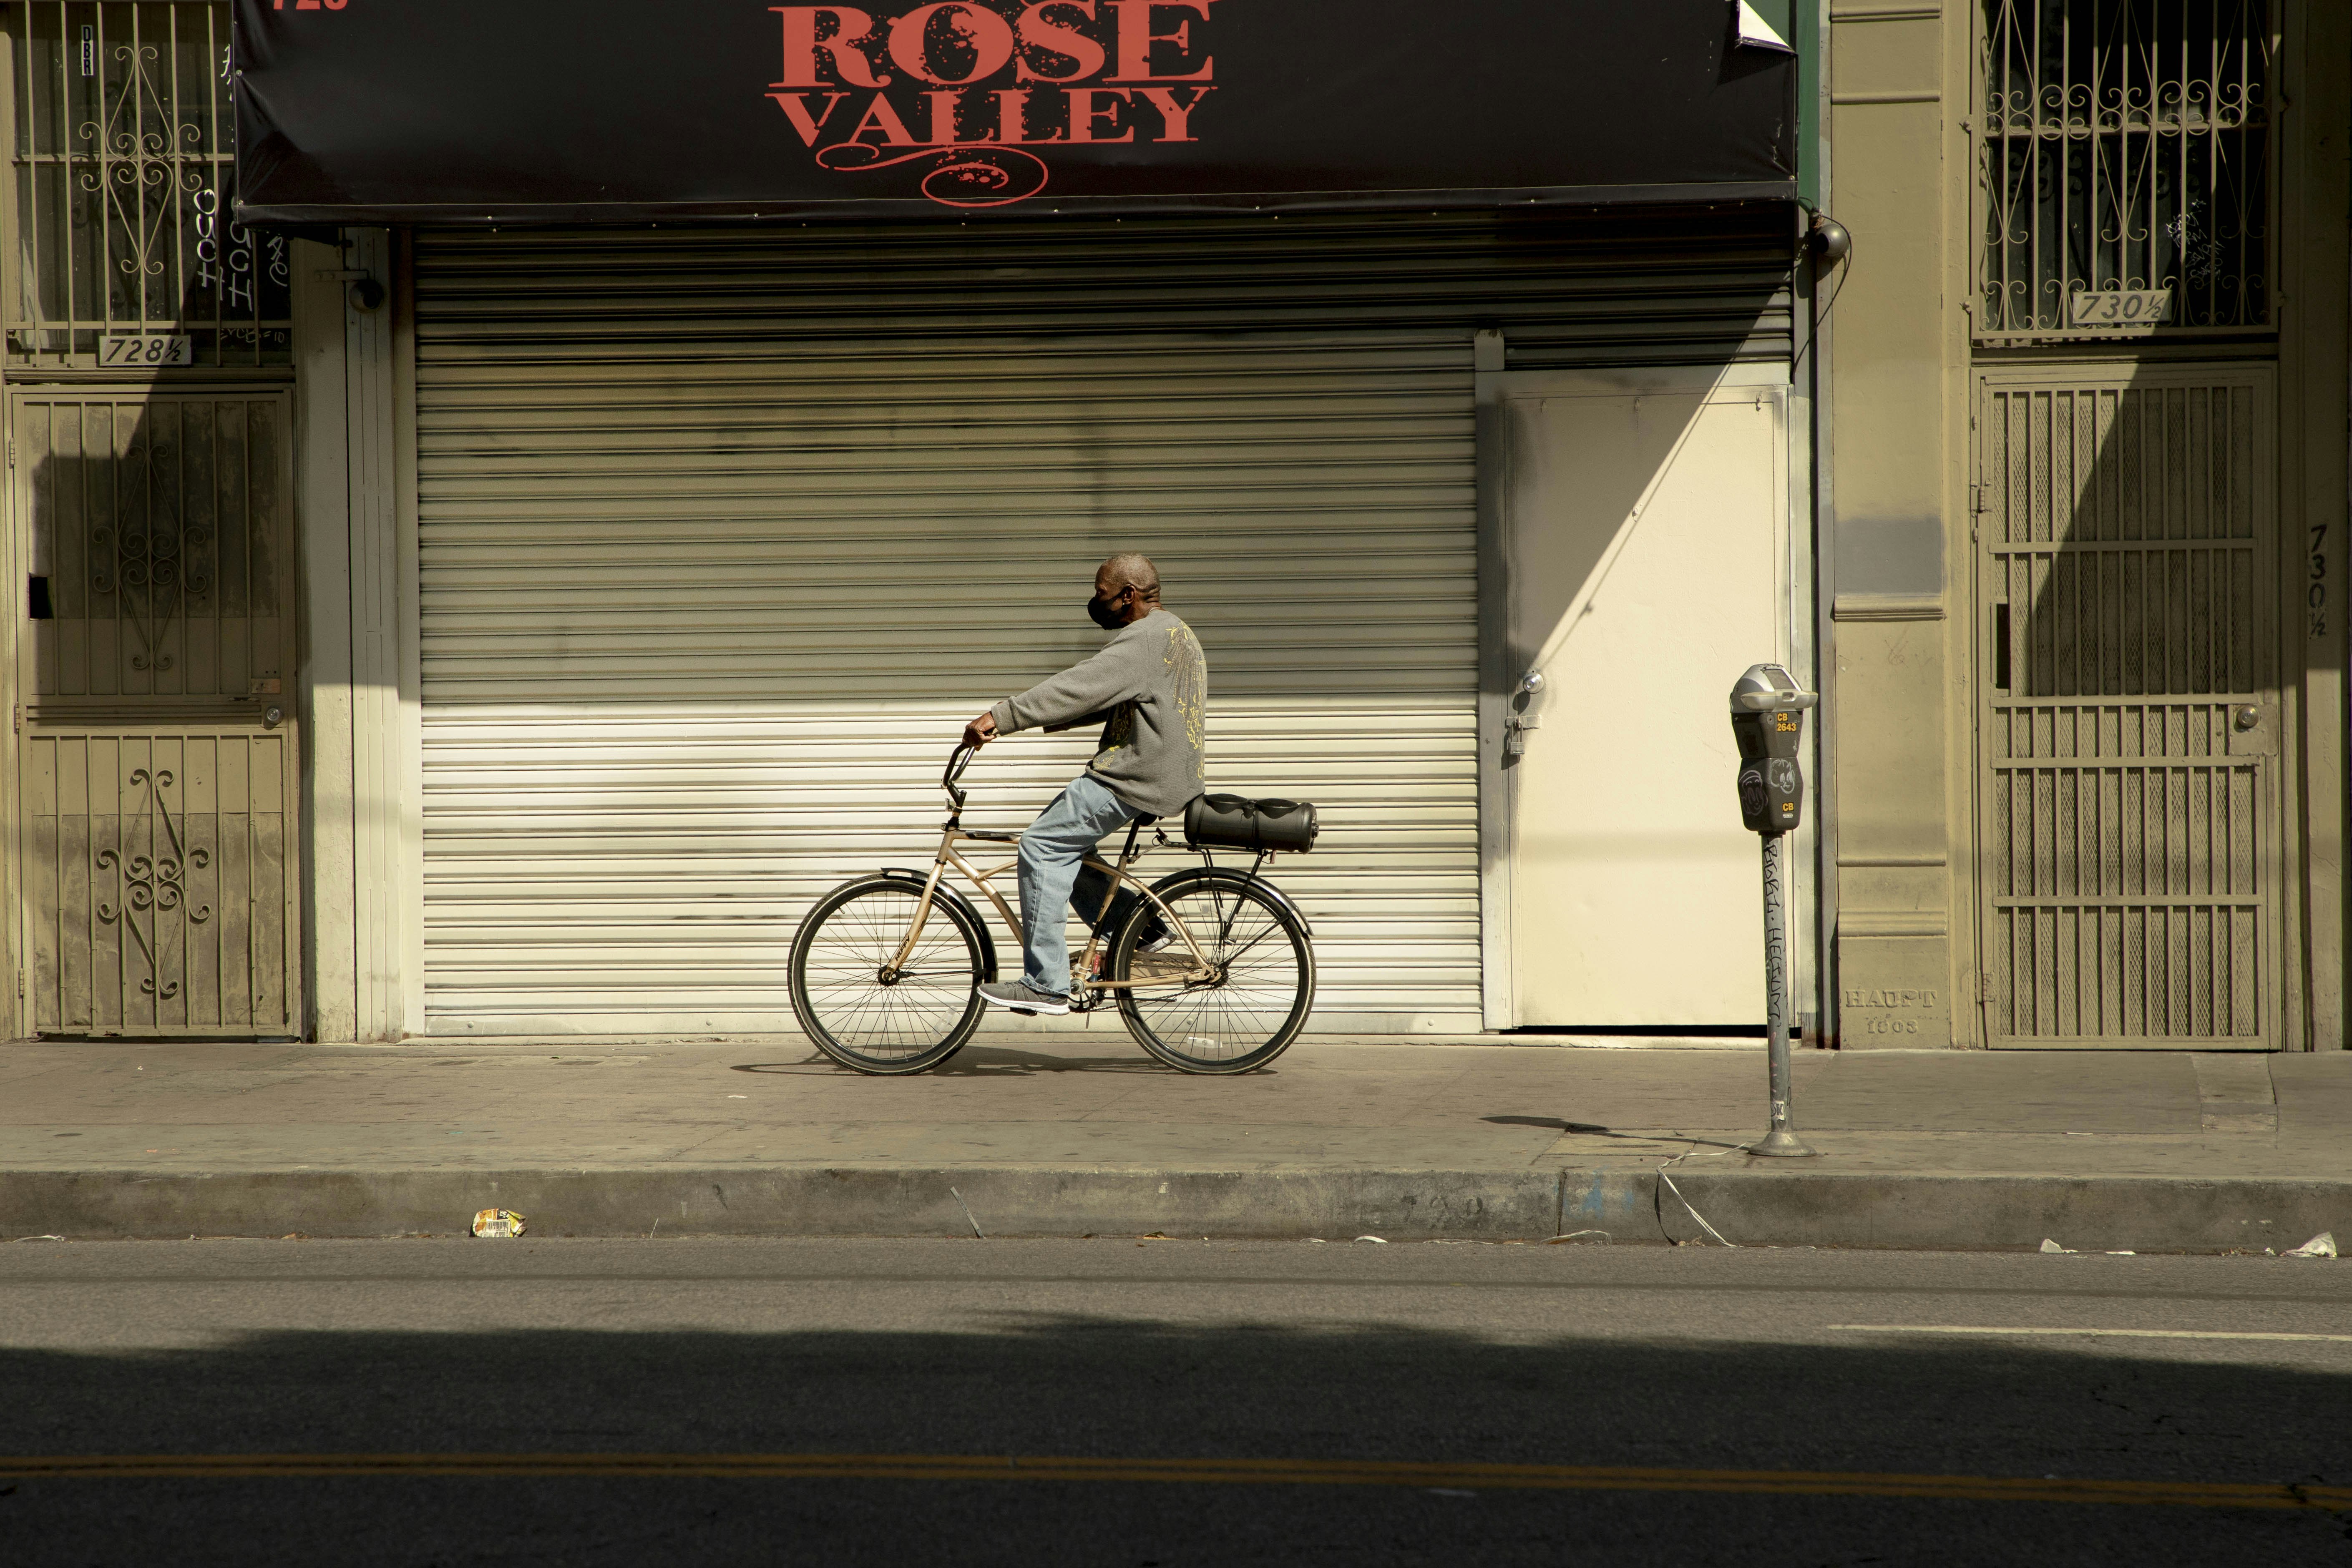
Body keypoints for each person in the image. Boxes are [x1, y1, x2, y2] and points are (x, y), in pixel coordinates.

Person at [961, 553, 1207, 1015]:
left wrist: (1001, 716)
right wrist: (1051, 723)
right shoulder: (1174, 630)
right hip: (1164, 774)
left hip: (1135, 775)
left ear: (1128, 596)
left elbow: (1079, 685)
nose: (1095, 602)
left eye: (1101, 594)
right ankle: (1140, 927)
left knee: (1041, 846)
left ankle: (1045, 984)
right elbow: (1120, 695)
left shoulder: (1143, 640)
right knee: (1069, 847)